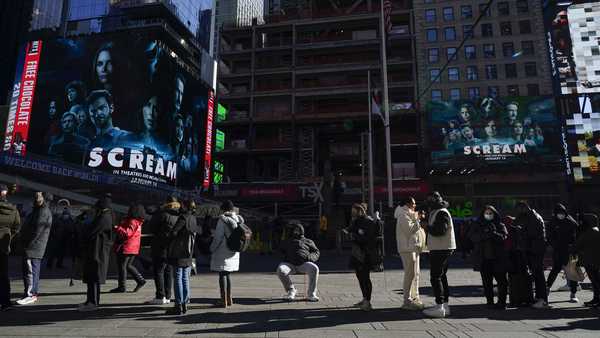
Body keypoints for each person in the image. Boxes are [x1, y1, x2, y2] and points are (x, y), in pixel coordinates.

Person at [422, 192, 456, 318]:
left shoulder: (441, 212)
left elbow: (440, 231)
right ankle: (444, 305)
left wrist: (427, 226)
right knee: (441, 276)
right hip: (441, 247)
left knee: (435, 277)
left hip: (441, 248)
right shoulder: (438, 211)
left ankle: (440, 306)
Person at [468, 206, 509, 309]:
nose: (489, 215)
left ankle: (502, 302)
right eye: (487, 213)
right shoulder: (477, 225)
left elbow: (504, 238)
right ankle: (489, 302)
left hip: (498, 258)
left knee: (502, 282)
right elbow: (472, 237)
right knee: (487, 283)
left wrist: (493, 233)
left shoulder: (500, 225)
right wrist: (485, 234)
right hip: (484, 258)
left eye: (491, 213)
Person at [344, 203, 383, 311]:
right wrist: (348, 233)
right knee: (360, 277)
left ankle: (368, 301)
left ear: (360, 211)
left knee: (365, 277)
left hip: (365, 254)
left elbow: (368, 238)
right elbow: (351, 230)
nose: (353, 213)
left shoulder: (367, 221)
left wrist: (354, 236)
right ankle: (364, 298)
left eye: (354, 211)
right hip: (357, 253)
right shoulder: (356, 221)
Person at [79, 195, 114, 312]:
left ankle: (92, 302)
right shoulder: (104, 216)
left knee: (93, 277)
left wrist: (84, 226)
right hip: (96, 250)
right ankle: (90, 300)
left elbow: (91, 232)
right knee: (92, 277)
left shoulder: (104, 217)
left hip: (97, 251)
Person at [16, 192, 52, 306]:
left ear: (44, 199)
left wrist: (27, 244)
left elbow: (36, 231)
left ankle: (30, 294)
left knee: (30, 272)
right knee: (30, 271)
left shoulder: (43, 212)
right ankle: (30, 293)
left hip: (33, 247)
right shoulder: (38, 210)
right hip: (33, 246)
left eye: (38, 196)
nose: (36, 198)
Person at [166, 200, 201, 315]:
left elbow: (173, 232)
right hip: (189, 252)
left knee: (178, 277)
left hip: (179, 252)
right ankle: (185, 303)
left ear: (185, 207)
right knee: (185, 277)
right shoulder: (193, 218)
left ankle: (178, 305)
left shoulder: (183, 218)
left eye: (182, 205)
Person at [514, 201, 548, 309]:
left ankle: (542, 299)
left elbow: (531, 234)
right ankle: (539, 298)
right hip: (533, 249)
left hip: (535, 250)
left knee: (538, 274)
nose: (517, 212)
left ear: (524, 208)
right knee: (537, 274)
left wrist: (521, 230)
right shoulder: (529, 216)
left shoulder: (533, 218)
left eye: (519, 209)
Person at [147, 196, 181, 305]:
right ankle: (167, 296)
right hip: (172, 248)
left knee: (159, 271)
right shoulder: (178, 215)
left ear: (166, 203)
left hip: (160, 246)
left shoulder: (162, 214)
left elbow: (151, 228)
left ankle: (160, 296)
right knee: (168, 272)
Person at [276, 220, 320, 302]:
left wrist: (311, 257)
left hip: (303, 264)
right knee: (280, 270)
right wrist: (284, 255)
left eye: (298, 230)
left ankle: (311, 294)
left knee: (314, 268)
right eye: (295, 230)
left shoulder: (308, 241)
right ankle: (291, 290)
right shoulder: (287, 240)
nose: (296, 232)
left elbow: (316, 251)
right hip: (289, 264)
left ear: (302, 231)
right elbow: (279, 250)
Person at [394, 197, 426, 310]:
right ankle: (406, 300)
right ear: (407, 204)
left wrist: (417, 217)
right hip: (407, 248)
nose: (415, 205)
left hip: (413, 247)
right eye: (413, 203)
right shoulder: (403, 215)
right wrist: (418, 220)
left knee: (415, 273)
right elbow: (409, 230)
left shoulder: (409, 213)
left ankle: (414, 297)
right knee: (410, 273)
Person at [210, 200, 241, 308]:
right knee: (227, 274)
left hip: (223, 250)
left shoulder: (222, 220)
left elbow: (218, 237)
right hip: (233, 250)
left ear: (223, 209)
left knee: (222, 274)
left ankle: (223, 300)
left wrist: (211, 248)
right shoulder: (237, 218)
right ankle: (229, 298)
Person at [546, 204, 579, 303]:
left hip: (571, 250)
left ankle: (573, 294)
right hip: (558, 250)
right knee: (555, 270)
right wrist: (554, 244)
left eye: (562, 213)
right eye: (559, 213)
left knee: (573, 272)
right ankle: (547, 290)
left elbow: (577, 232)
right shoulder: (552, 222)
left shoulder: (571, 221)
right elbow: (549, 236)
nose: (561, 215)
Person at [110, 204, 146, 293]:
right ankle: (140, 280)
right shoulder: (138, 221)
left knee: (122, 266)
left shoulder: (132, 221)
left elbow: (127, 233)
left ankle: (122, 287)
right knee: (128, 266)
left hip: (126, 247)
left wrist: (117, 228)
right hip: (133, 247)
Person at [0, 184, 21, 311]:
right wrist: (9, 237)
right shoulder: (13, 209)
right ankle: (5, 302)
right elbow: (17, 227)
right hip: (4, 245)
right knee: (3, 274)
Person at [573, 213, 600, 308]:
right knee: (596, 280)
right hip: (596, 260)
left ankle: (597, 299)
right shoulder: (596, 230)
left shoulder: (588, 232)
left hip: (590, 261)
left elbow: (577, 245)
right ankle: (596, 299)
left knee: (595, 281)